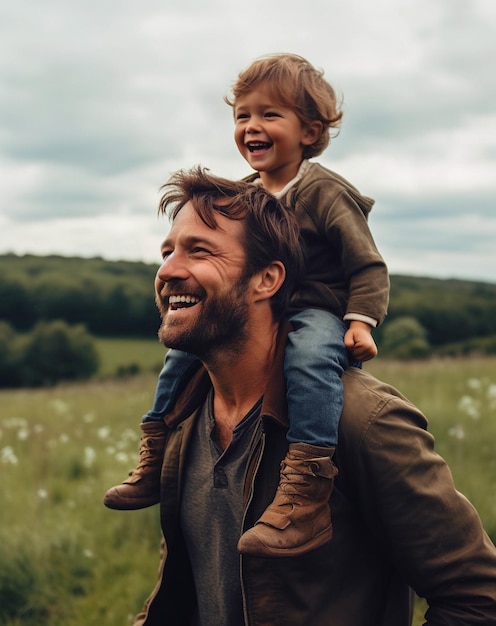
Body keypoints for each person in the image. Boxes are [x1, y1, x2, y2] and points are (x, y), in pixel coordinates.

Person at [130, 166, 496, 626]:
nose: (168, 270)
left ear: (268, 279)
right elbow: (187, 592)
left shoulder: (364, 422)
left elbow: (478, 601)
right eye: (167, 252)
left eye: (198, 252)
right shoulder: (183, 421)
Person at [104, 53, 390, 557]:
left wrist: (360, 320)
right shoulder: (244, 196)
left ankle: (306, 482)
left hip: (316, 306)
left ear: (310, 131)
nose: (252, 127)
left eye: (269, 115)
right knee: (179, 356)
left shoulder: (324, 192)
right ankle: (156, 454)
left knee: (309, 358)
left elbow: (367, 264)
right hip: (258, 308)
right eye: (242, 116)